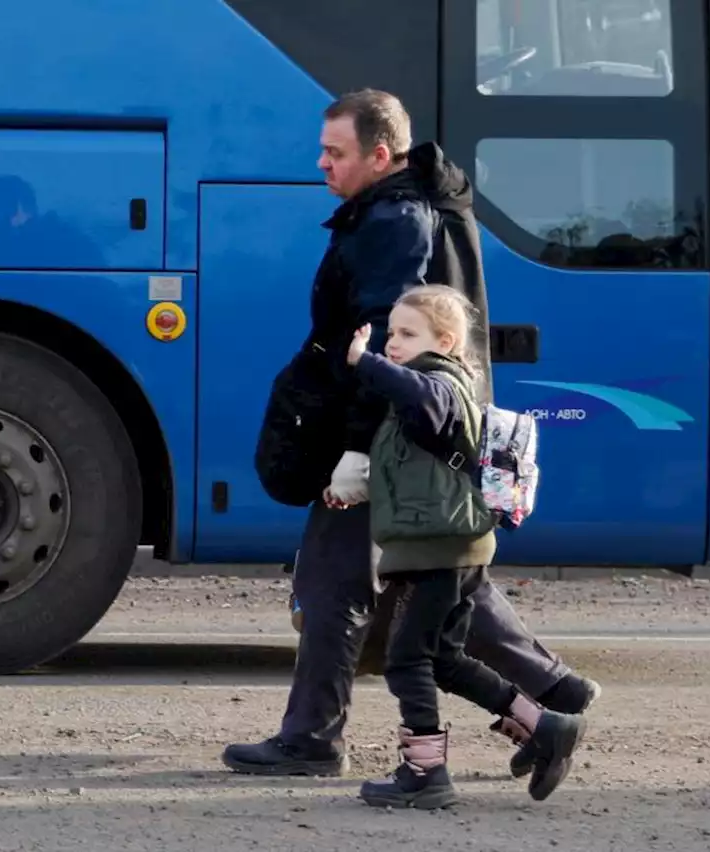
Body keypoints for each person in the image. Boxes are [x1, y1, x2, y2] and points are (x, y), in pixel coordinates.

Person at [233, 89, 598, 778]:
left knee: (333, 579)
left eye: (335, 153)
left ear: (379, 153)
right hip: (417, 431)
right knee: (441, 574)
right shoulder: (408, 208)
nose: (321, 164)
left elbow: (385, 344)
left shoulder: (394, 223)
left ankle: (312, 738)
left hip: (396, 435)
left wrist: (355, 450)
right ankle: (557, 693)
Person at [340, 285, 585, 809]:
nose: (394, 343)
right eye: (391, 333)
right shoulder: (423, 387)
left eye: (408, 334)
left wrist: (366, 361)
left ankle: (425, 772)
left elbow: (426, 402)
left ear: (446, 342)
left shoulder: (441, 382)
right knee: (445, 661)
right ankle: (544, 727)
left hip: (441, 549)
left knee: (407, 661)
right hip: (441, 544)